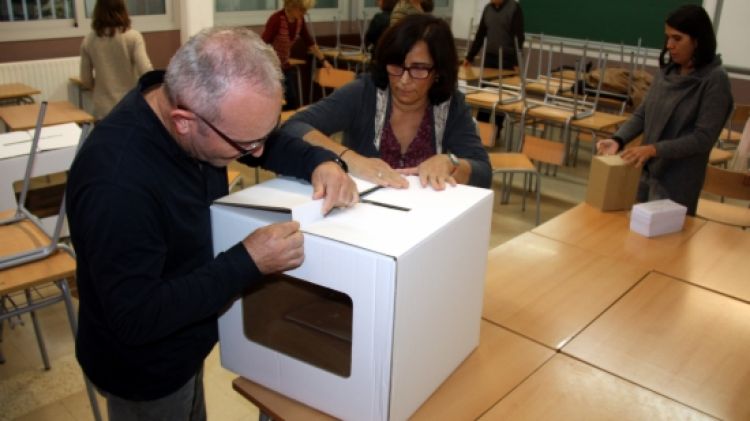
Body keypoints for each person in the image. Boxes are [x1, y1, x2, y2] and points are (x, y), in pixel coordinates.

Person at [66, 27, 357, 420]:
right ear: (184, 121)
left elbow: (265, 143)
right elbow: (136, 317)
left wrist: (321, 161)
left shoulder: (195, 109)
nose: (256, 151)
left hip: (186, 337)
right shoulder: (117, 184)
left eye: (262, 135)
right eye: (245, 145)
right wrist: (248, 260)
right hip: (144, 370)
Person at [282, 14, 492, 190]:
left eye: (419, 69)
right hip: (361, 216)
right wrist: (351, 159)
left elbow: (483, 173)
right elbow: (293, 127)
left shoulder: (451, 105)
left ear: (438, 72)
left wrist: (452, 163)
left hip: (423, 221)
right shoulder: (364, 93)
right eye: (396, 66)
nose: (404, 80)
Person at [596, 5, 733, 216]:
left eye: (677, 39)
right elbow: (643, 113)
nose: (669, 45)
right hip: (645, 173)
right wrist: (618, 139)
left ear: (697, 40)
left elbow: (703, 137)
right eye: (667, 37)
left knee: (665, 245)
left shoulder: (715, 80)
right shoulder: (666, 73)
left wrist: (653, 149)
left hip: (678, 182)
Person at [79, 0, 152, 120]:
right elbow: (146, 72)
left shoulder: (88, 40)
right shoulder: (133, 37)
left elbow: (86, 80)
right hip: (130, 106)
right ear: (123, 10)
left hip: (102, 110)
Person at [262, 0, 333, 110]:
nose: (304, 13)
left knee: (292, 102)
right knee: (276, 104)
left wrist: (324, 61)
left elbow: (310, 43)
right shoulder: (276, 20)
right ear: (291, 6)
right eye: (301, 9)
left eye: (305, 10)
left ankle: (290, 126)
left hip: (285, 66)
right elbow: (262, 45)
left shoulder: (300, 20)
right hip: (271, 69)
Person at [462, 0, 524, 71]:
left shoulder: (514, 8)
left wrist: (516, 62)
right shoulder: (488, 9)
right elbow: (480, 36)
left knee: (506, 81)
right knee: (485, 81)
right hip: (489, 57)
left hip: (508, 59)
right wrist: (469, 57)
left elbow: (519, 38)